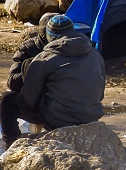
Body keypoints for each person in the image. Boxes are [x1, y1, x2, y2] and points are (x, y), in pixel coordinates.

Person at [0, 15, 106, 149]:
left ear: (48, 35)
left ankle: (11, 146)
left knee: (7, 100)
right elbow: (100, 93)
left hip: (58, 121)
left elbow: (27, 101)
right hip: (91, 116)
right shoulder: (95, 54)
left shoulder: (44, 58)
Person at [7, 12, 58, 93]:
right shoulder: (28, 48)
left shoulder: (69, 47)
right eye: (55, 32)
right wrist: (33, 68)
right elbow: (12, 82)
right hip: (34, 95)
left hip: (61, 96)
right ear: (45, 34)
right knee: (7, 98)